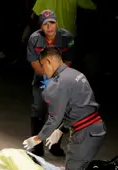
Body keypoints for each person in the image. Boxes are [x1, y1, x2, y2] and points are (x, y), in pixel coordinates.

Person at [23, 46, 118, 170]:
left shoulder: (59, 83)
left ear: (48, 61)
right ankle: (110, 164)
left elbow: (54, 118)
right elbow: (78, 107)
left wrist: (38, 138)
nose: (43, 70)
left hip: (85, 133)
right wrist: (61, 130)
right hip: (95, 127)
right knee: (72, 168)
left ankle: (114, 166)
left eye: (42, 65)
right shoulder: (75, 74)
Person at [27, 10, 74, 157]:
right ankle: (37, 146)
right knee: (38, 110)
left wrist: (56, 79)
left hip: (60, 76)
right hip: (41, 76)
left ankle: (54, 145)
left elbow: (68, 60)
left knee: (58, 112)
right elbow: (34, 63)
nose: (49, 27)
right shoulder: (34, 39)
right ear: (41, 26)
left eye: (52, 23)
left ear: (57, 23)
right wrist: (47, 78)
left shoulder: (66, 37)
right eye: (45, 24)